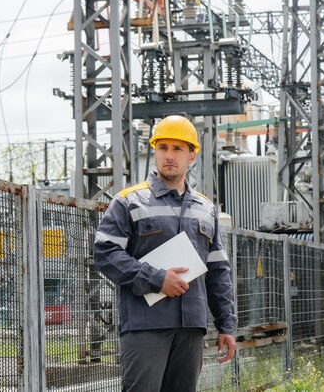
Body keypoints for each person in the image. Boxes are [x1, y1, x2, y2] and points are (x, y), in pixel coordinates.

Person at [94, 115, 237, 391]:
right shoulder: (129, 201)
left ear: (191, 155)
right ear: (154, 151)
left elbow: (218, 271)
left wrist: (227, 326)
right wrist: (156, 279)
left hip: (191, 326)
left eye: (177, 149)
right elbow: (105, 252)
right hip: (145, 325)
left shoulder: (205, 208)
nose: (168, 156)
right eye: (162, 148)